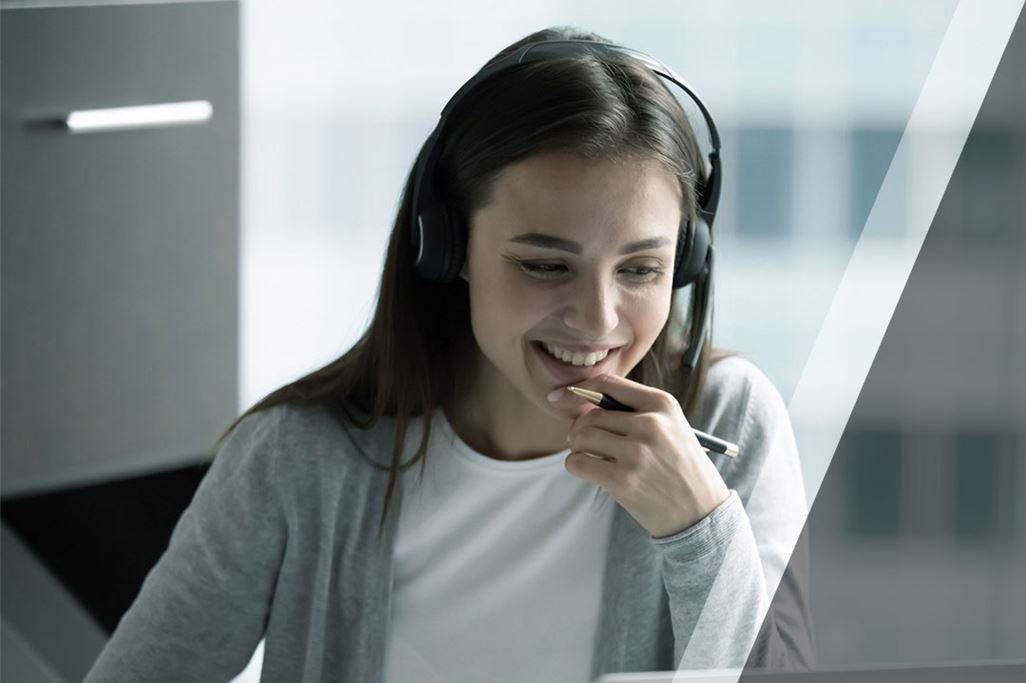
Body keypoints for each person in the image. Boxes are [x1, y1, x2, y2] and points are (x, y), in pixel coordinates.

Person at [85, 25, 814, 683]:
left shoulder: (728, 421)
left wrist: (700, 529)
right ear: (449, 246)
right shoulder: (296, 459)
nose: (599, 320)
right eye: (544, 265)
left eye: (641, 269)